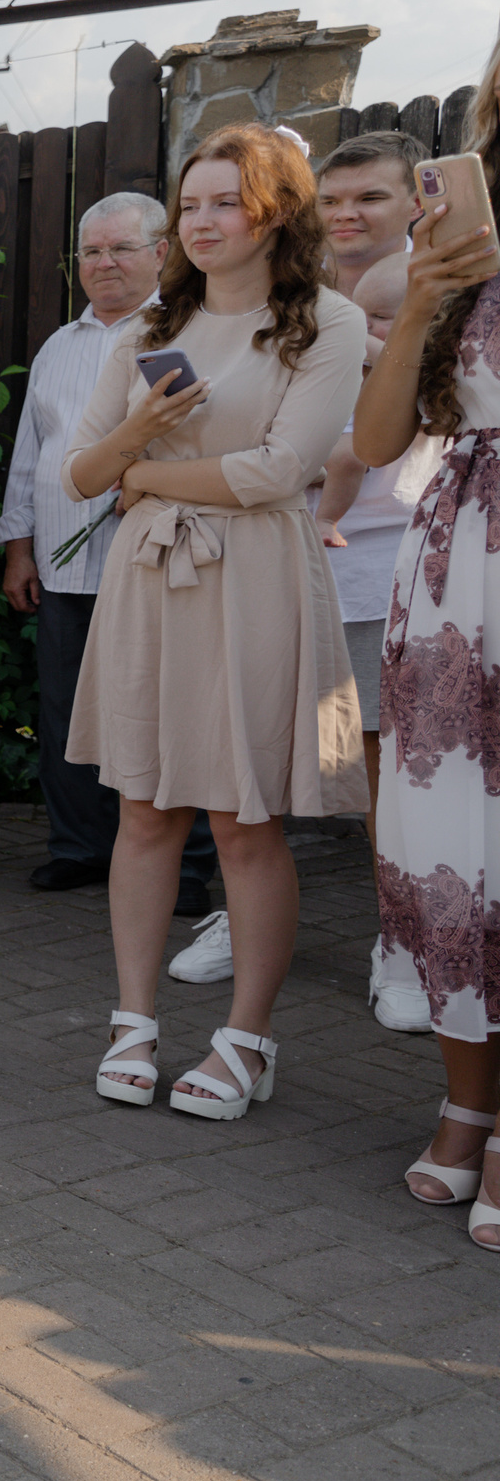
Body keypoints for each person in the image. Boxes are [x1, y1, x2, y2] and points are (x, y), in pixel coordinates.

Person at [68, 121, 367, 1123]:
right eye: (189, 204)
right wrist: (133, 438)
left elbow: (281, 470)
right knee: (144, 809)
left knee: (244, 822)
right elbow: (77, 474)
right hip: (151, 583)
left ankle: (246, 1041)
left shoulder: (327, 320)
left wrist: (142, 470)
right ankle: (133, 1022)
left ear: (276, 208)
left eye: (224, 201)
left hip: (252, 578)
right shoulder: (144, 325)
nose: (201, 222)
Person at [353, 38, 500, 1243]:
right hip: (463, 566)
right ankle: (466, 1106)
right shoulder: (455, 236)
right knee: (449, 834)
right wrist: (429, 291)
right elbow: (376, 433)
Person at [0, 194, 221, 919]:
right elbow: (33, 458)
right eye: (91, 251)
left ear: (161, 252)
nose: (103, 264)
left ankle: (185, 868)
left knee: (165, 713)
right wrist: (20, 547)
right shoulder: (58, 347)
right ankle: (79, 848)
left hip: (156, 555)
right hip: (65, 567)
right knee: (66, 712)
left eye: (120, 249)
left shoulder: (186, 329)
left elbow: (210, 437)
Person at [325, 255, 449, 1031]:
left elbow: (348, 458)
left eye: (383, 317)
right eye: (360, 316)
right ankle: (399, 943)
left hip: (400, 580)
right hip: (337, 584)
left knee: (399, 775)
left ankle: (407, 947)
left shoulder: (432, 380)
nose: (368, 332)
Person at [317, 129, 427, 300]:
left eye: (369, 199)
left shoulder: (452, 292)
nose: (344, 215)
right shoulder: (279, 286)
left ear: (417, 205)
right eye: (330, 202)